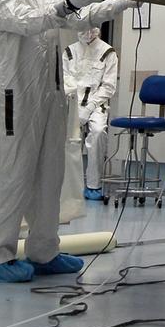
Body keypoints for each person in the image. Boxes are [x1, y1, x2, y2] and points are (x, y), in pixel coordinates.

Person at [0, 0, 136, 283]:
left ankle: (44, 251)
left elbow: (77, 20)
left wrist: (121, 1)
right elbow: (29, 22)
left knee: (50, 175)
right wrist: (66, 4)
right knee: (12, 174)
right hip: (12, 98)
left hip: (49, 96)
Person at [63, 28, 118, 200]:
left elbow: (108, 86)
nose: (87, 33)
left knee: (98, 132)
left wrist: (90, 106)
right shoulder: (69, 51)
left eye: (91, 28)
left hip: (97, 104)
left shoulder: (108, 52)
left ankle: (93, 185)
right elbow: (65, 79)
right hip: (72, 102)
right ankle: (68, 185)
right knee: (69, 137)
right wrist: (76, 108)